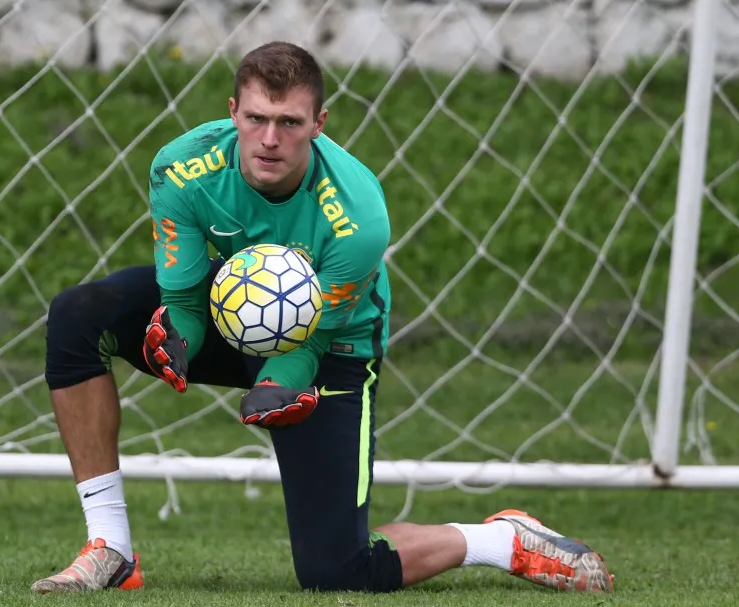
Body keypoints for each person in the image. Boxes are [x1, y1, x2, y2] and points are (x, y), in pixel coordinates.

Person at [32, 41, 613, 595]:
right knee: (79, 315)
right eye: (256, 118)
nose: (268, 139)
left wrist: (279, 381)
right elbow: (184, 303)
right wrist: (174, 338)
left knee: (338, 569)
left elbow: (307, 344)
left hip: (333, 347)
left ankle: (498, 540)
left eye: (289, 123)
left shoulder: (359, 218)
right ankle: (110, 550)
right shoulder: (181, 169)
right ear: (232, 111)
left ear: (319, 124)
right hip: (223, 310)